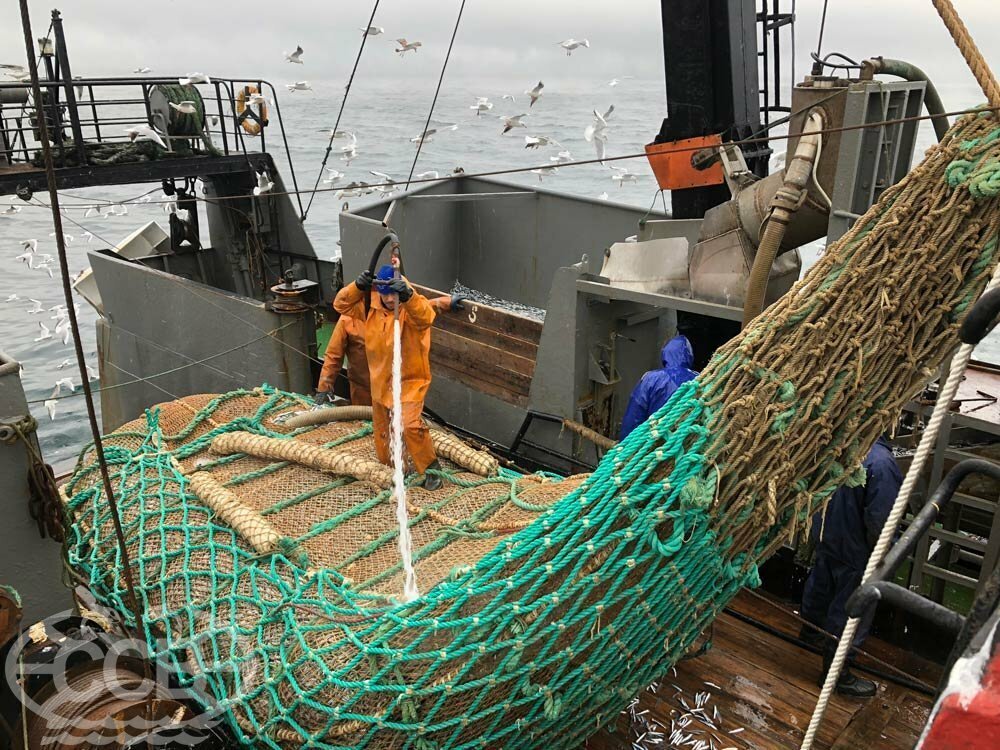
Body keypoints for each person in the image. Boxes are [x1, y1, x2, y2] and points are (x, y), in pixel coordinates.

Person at [333, 264, 461, 491]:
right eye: (386, 295)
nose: (391, 299)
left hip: (410, 381)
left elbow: (425, 316)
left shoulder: (410, 305)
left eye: (394, 294)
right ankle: (395, 468)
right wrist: (356, 286)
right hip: (381, 382)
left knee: (410, 425)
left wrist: (409, 296)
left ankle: (431, 470)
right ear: (378, 292)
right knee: (384, 433)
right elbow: (340, 304)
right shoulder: (366, 306)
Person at [800, 436, 903, 697]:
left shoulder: (842, 443)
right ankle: (837, 674)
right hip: (856, 546)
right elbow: (881, 519)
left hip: (827, 532)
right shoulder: (883, 465)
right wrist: (884, 552)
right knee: (852, 607)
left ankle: (810, 634)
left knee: (821, 583)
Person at [619, 334, 698, 440]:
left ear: (665, 354)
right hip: (685, 444)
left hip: (653, 441)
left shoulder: (651, 378)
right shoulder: (700, 379)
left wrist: (624, 446)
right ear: (690, 356)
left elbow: (634, 416)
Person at [315, 315, 371, 406]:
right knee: (364, 417)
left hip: (394, 389)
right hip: (362, 390)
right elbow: (333, 356)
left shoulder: (397, 316)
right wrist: (324, 386)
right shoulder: (347, 318)